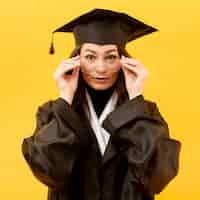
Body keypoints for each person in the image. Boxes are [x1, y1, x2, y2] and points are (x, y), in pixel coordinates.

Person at [22, 8, 181, 200]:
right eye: (90, 56)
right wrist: (65, 96)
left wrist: (135, 97)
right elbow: (49, 171)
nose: (101, 67)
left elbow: (157, 176)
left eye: (111, 57)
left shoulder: (145, 113)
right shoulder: (53, 112)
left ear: (123, 61)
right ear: (76, 60)